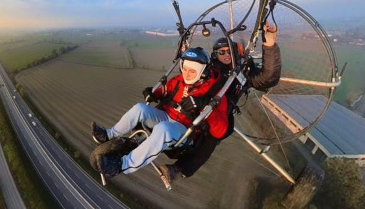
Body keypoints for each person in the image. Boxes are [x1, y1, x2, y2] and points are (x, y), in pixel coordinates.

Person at [155, 22, 281, 183]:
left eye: (230, 51)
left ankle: (179, 170)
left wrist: (269, 43)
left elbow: (268, 79)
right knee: (169, 104)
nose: (226, 55)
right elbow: (189, 72)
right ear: (215, 54)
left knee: (212, 136)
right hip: (195, 102)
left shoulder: (244, 71)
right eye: (222, 52)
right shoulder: (209, 67)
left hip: (218, 111)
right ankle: (139, 135)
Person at [90, 47, 229, 183]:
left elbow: (220, 131)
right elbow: (165, 90)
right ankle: (108, 135)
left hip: (185, 131)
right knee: (140, 108)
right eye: (185, 69)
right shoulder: (179, 80)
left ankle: (120, 166)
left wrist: (203, 105)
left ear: (203, 72)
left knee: (164, 129)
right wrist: (152, 93)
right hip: (166, 116)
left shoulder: (216, 94)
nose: (186, 74)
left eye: (192, 71)